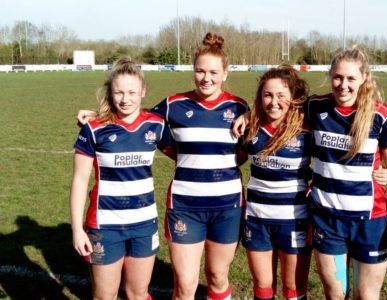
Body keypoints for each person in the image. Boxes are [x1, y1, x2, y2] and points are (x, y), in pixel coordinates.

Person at [78, 33, 249, 300]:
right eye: (200, 71)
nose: (206, 78)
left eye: (214, 72)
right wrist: (98, 115)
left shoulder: (239, 106)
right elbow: (134, 116)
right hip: (185, 207)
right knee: (185, 284)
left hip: (228, 207)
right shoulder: (173, 105)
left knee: (217, 277)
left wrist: (251, 114)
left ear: (225, 73)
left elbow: (247, 148)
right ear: (193, 70)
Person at [307, 46, 387, 299]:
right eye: (338, 77)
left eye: (351, 78)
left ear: (364, 78)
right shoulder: (315, 107)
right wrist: (249, 115)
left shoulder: (380, 115)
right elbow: (277, 107)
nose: (343, 85)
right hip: (327, 220)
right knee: (335, 293)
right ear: (330, 76)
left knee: (366, 295)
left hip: (371, 223)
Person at [70, 57, 172, 300]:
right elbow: (79, 181)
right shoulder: (94, 128)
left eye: (132, 92)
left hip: (144, 224)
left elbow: (187, 156)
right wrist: (76, 229)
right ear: (110, 92)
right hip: (105, 227)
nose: (125, 99)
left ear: (143, 92)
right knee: (105, 295)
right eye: (119, 92)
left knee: (138, 293)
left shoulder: (156, 125)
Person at [241, 65, 312, 300]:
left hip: (293, 221)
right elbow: (231, 160)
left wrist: (378, 170)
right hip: (257, 219)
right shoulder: (249, 128)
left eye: (281, 95)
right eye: (268, 95)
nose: (274, 102)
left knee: (293, 288)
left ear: (293, 98)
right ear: (260, 97)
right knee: (262, 286)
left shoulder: (306, 130)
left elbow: (334, 160)